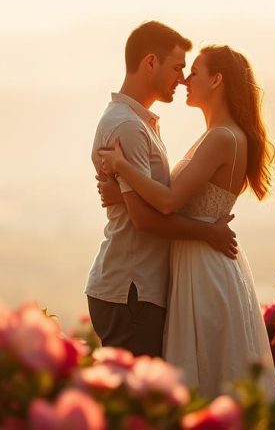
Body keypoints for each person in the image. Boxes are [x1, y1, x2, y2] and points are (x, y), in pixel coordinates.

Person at [96, 44, 275, 399]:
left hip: (203, 267)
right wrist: (126, 196)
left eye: (194, 72)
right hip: (203, 261)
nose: (185, 81)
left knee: (207, 377)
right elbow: (175, 200)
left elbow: (168, 201)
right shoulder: (222, 136)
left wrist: (121, 169)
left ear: (217, 79)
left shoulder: (221, 138)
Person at [87, 21, 239, 358]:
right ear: (150, 63)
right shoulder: (127, 126)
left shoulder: (138, 123)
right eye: (177, 67)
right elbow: (145, 219)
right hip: (132, 290)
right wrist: (207, 233)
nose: (182, 78)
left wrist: (122, 199)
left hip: (137, 289)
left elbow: (145, 204)